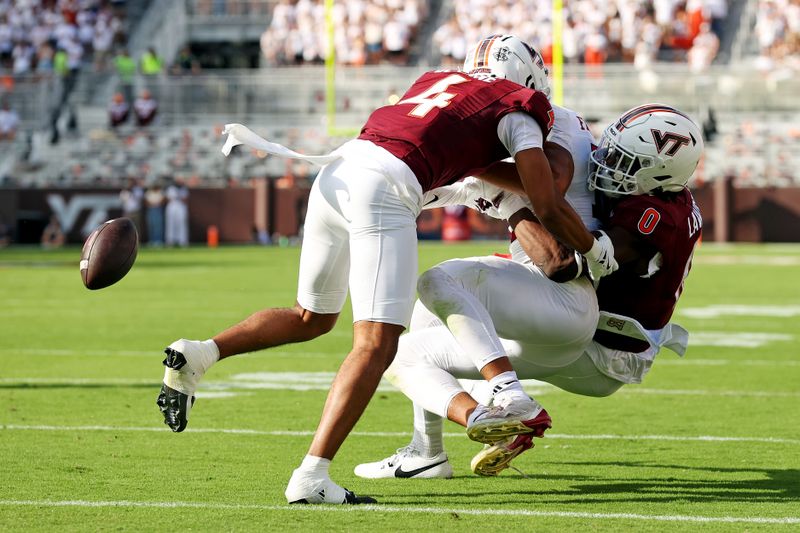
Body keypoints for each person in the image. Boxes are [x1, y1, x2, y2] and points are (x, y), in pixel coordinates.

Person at [156, 35, 618, 505]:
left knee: (309, 318)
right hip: (386, 187)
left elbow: (445, 158)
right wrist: (592, 246)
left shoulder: (436, 79)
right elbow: (546, 197)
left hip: (337, 172)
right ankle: (313, 477)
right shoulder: (520, 105)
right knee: (378, 343)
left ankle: (201, 353)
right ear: (529, 80)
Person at [354, 104, 704, 479]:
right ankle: (428, 451)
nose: (608, 164)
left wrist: (507, 201)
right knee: (430, 315)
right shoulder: (656, 195)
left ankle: (497, 410)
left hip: (603, 353)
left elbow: (562, 263)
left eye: (626, 163)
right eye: (611, 150)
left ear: (662, 178)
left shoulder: (653, 217)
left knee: (399, 353)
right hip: (589, 329)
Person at [165, 177, 189, 247]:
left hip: (181, 207)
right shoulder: (171, 189)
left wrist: (178, 197)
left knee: (182, 224)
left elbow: (185, 199)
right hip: (172, 207)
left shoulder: (184, 189)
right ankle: (170, 241)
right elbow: (169, 199)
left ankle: (182, 241)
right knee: (170, 224)